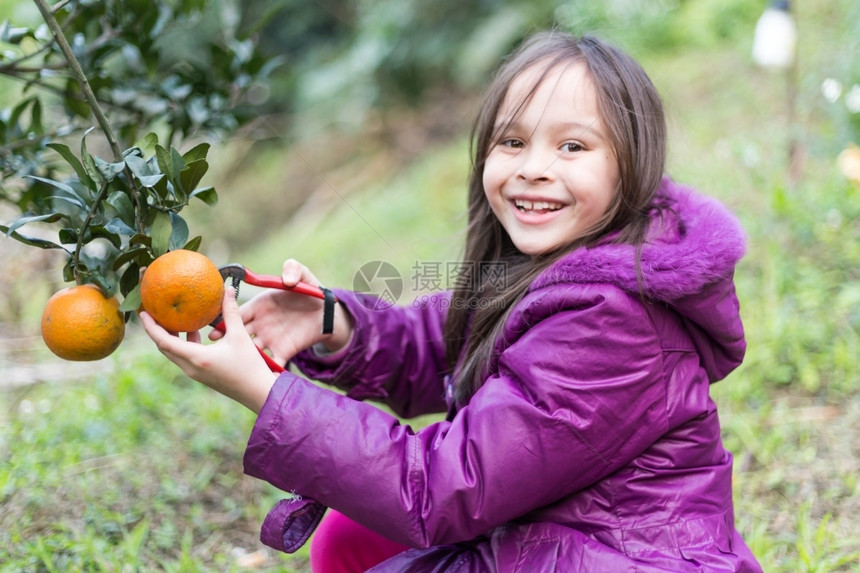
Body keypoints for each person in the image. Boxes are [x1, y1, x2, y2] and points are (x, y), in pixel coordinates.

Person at [142, 30, 763, 572]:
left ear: (633, 162)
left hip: (622, 555)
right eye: (512, 142)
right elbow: (438, 340)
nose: (534, 168)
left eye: (572, 147)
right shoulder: (549, 265)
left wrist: (266, 392)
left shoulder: (614, 321)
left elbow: (445, 488)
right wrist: (334, 322)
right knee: (355, 534)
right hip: (559, 529)